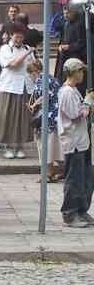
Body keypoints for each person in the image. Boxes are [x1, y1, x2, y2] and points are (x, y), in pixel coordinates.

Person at [56, 58, 94, 228]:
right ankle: (70, 213)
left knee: (85, 177)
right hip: (73, 143)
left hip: (82, 141)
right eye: (80, 71)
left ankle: (81, 209)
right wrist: (88, 101)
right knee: (74, 179)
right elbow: (74, 114)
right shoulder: (66, 92)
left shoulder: (74, 91)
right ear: (74, 72)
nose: (82, 74)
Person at [0, 24, 35, 159]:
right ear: (11, 36)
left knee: (23, 116)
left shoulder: (28, 48)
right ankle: (9, 146)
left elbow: (32, 66)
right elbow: (13, 64)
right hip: (10, 86)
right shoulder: (6, 49)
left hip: (25, 85)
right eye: (16, 36)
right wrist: (26, 54)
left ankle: (19, 146)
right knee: (9, 115)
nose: (19, 39)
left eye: (21, 36)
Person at [27, 60, 64, 183]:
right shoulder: (51, 78)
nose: (30, 77)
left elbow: (45, 96)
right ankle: (52, 172)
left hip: (47, 118)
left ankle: (47, 174)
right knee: (53, 146)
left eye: (30, 74)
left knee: (44, 146)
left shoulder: (41, 80)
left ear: (35, 72)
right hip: (55, 117)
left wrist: (34, 105)